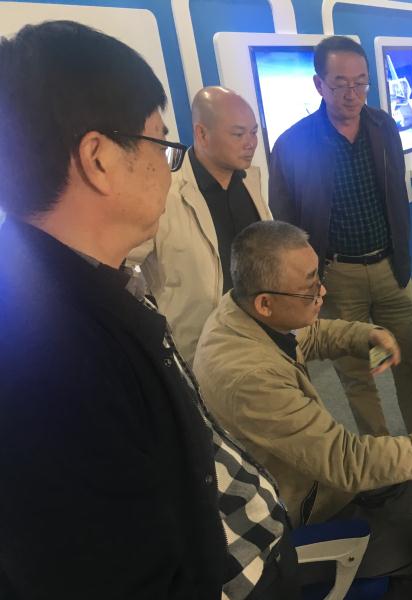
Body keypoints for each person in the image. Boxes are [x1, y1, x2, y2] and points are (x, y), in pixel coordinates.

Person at [0, 21, 297, 599]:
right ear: (99, 159)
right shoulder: (48, 364)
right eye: (161, 143)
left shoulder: (89, 284)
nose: (169, 164)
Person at [193, 219, 412, 599]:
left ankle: (376, 534)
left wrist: (365, 334)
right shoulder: (249, 378)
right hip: (286, 531)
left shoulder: (240, 311)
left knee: (401, 471)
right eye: (310, 288)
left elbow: (306, 334)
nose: (322, 292)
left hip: (306, 484)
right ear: (265, 302)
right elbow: (348, 463)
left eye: (319, 279)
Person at [269, 35, 412, 437]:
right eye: (341, 83)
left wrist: (403, 256)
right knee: (357, 373)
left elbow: (396, 195)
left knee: (411, 360)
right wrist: (313, 275)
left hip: (390, 268)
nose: (352, 93)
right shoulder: (292, 144)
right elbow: (285, 216)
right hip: (338, 276)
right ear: (319, 84)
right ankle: (379, 457)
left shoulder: (384, 127)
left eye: (361, 83)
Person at [129, 86, 270, 365]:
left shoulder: (249, 180)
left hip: (264, 334)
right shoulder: (165, 193)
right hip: (204, 349)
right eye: (238, 134)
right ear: (202, 134)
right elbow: (123, 266)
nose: (251, 143)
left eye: (254, 132)